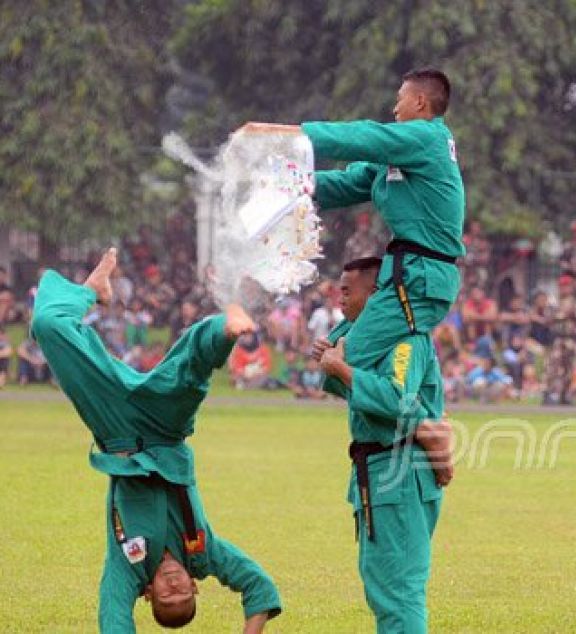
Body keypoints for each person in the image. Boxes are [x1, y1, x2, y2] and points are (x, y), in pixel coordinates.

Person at [30, 248, 281, 632]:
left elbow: (114, 621)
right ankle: (224, 330)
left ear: (148, 592)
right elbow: (257, 585)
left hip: (115, 429)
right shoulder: (205, 554)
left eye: (167, 595)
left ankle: (87, 291)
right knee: (185, 378)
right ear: (196, 587)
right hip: (165, 430)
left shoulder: (127, 569)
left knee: (48, 325)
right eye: (185, 593)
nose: (176, 585)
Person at [243, 67, 464, 376]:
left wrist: (296, 137)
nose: (394, 109)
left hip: (421, 279)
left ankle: (418, 420)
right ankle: (422, 416)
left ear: (420, 102)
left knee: (343, 363)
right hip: (406, 275)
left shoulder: (428, 137)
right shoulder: (402, 155)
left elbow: (365, 137)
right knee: (333, 355)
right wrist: (289, 184)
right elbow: (348, 183)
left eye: (399, 100)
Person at [312, 256, 453, 633]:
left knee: (398, 592)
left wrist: (341, 369)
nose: (339, 296)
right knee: (384, 586)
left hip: (398, 473)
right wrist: (334, 359)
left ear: (377, 295)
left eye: (347, 290)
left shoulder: (405, 339)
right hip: (382, 473)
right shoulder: (372, 340)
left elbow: (395, 398)